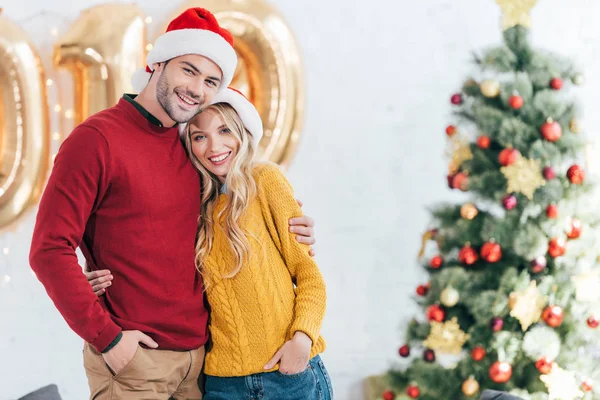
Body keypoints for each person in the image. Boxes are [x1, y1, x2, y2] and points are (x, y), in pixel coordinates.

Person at [29, 8, 316, 399]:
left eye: (211, 81)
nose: (197, 88)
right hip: (135, 363)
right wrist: (108, 338)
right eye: (188, 70)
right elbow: (48, 249)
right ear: (158, 63)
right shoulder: (96, 139)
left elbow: (232, 216)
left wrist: (292, 226)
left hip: (203, 365)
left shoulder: (193, 149)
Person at [91, 87, 333, 399]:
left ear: (242, 133)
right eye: (199, 136)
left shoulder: (265, 180)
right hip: (223, 383)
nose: (214, 146)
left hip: (288, 375)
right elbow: (148, 255)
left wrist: (302, 339)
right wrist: (94, 275)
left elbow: (310, 276)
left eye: (224, 130)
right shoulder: (193, 206)